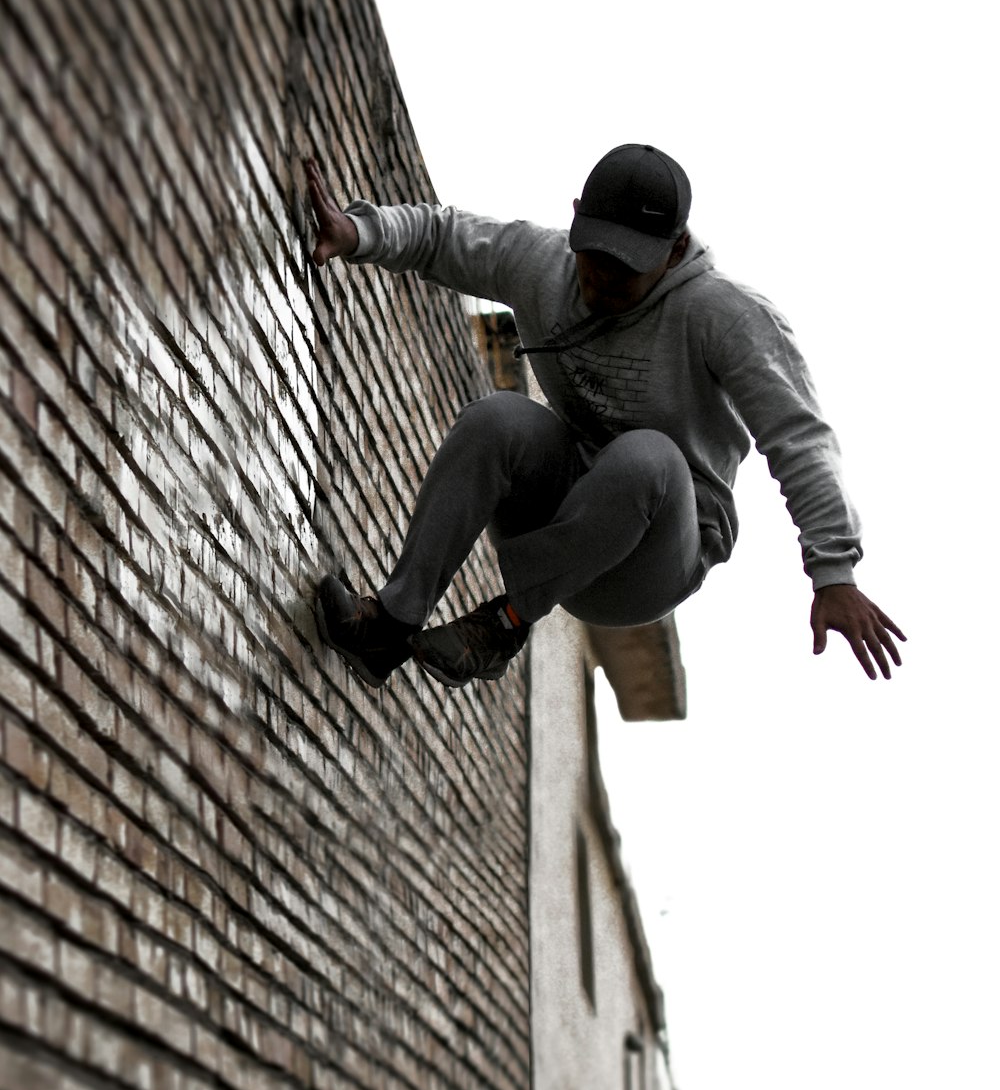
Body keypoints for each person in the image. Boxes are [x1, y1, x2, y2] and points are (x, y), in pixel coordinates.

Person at [305, 145, 905, 691]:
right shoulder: (543, 265)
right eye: (596, 259)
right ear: (576, 223)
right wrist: (360, 232)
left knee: (648, 456)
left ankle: (505, 626)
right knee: (498, 418)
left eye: (628, 268)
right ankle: (390, 622)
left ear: (673, 251)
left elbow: (799, 437)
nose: (604, 280)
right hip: (561, 510)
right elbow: (445, 236)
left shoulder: (725, 316)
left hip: (650, 557)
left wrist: (833, 572)